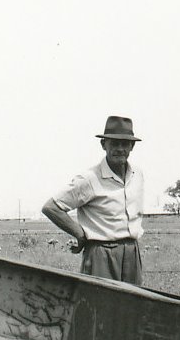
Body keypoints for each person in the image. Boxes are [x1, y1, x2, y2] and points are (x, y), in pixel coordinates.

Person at [41, 115, 145, 285]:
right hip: (101, 255)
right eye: (114, 143)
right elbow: (51, 207)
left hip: (132, 253)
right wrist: (79, 234)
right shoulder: (90, 178)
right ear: (104, 145)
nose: (120, 149)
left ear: (132, 146)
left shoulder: (137, 175)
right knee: (99, 306)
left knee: (133, 307)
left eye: (125, 144)